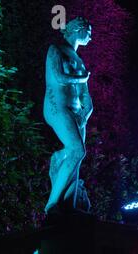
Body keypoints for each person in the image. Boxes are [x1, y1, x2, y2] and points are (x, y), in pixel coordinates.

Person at [43, 17, 93, 214]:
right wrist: (83, 77)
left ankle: (68, 206)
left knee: (77, 156)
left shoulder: (79, 60)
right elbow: (59, 77)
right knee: (77, 150)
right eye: (88, 31)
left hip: (77, 112)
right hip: (58, 108)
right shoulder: (55, 49)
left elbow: (85, 95)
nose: (90, 36)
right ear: (76, 30)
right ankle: (52, 204)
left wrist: (86, 112)